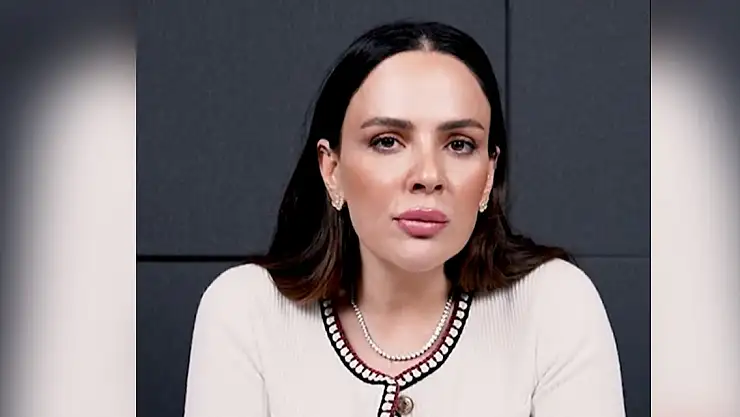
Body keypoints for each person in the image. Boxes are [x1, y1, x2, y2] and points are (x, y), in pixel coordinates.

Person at [183, 20, 625, 417]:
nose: (428, 176)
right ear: (331, 169)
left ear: (489, 175)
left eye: (459, 144)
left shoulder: (554, 306)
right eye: (387, 141)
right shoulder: (245, 311)